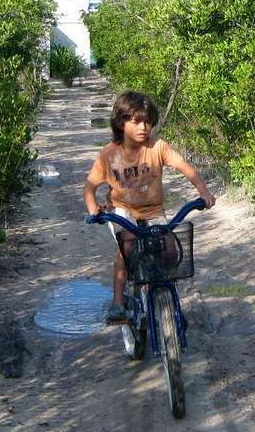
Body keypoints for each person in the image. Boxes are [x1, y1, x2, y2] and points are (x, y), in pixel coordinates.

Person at [84, 91, 216, 323]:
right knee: (127, 254)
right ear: (121, 122)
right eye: (136, 121)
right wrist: (93, 207)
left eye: (147, 121)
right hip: (122, 211)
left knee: (168, 252)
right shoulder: (108, 155)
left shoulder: (158, 147)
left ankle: (168, 305)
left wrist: (203, 192)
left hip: (153, 209)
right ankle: (118, 303)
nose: (143, 127)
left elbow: (186, 168)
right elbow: (90, 187)